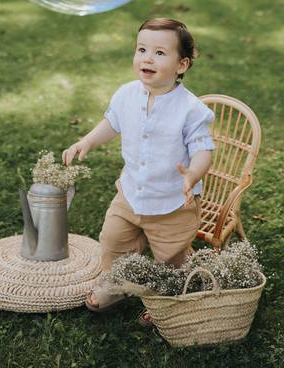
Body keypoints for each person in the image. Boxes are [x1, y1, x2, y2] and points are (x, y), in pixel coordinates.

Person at [62, 17, 215, 324]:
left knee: (171, 258)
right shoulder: (126, 94)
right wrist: (88, 140)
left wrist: (192, 175)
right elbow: (112, 123)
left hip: (173, 203)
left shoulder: (191, 110)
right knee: (113, 242)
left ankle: (167, 299)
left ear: (181, 65)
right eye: (142, 49)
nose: (147, 58)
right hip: (130, 194)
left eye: (160, 53)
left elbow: (203, 150)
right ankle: (118, 284)